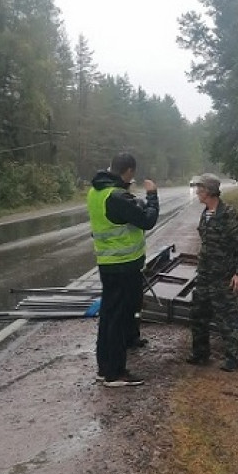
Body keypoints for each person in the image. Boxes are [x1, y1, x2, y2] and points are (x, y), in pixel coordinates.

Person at [87, 152, 159, 387]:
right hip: (123, 265)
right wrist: (152, 195)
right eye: (132, 174)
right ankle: (115, 373)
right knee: (117, 319)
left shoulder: (97, 191)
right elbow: (147, 220)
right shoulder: (117, 196)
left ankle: (104, 368)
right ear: (128, 171)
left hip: (108, 264)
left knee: (108, 316)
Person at [187, 173, 238, 372]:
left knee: (227, 318)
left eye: (200, 188)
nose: (197, 192)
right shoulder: (205, 213)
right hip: (205, 275)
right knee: (198, 314)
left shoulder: (229, 214)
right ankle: (200, 354)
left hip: (223, 277)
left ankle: (233, 358)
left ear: (209, 191)